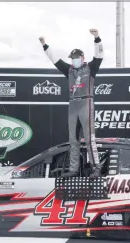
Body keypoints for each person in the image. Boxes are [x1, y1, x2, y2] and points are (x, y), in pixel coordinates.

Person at [39, 29, 103, 179]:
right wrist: (44, 45)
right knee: (73, 140)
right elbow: (55, 60)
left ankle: (96, 168)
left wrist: (97, 38)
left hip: (86, 103)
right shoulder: (68, 70)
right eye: (72, 57)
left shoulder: (90, 68)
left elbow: (99, 55)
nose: (74, 60)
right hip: (73, 105)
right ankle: (74, 169)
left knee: (89, 139)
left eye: (76, 57)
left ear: (82, 57)